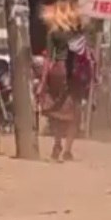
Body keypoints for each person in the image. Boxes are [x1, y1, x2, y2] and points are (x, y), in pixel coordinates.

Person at [37, 33, 91, 162]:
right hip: (75, 73)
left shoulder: (54, 30)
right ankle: (67, 150)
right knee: (74, 112)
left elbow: (48, 59)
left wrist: (42, 83)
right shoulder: (79, 29)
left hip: (58, 71)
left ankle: (57, 143)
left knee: (57, 112)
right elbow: (85, 54)